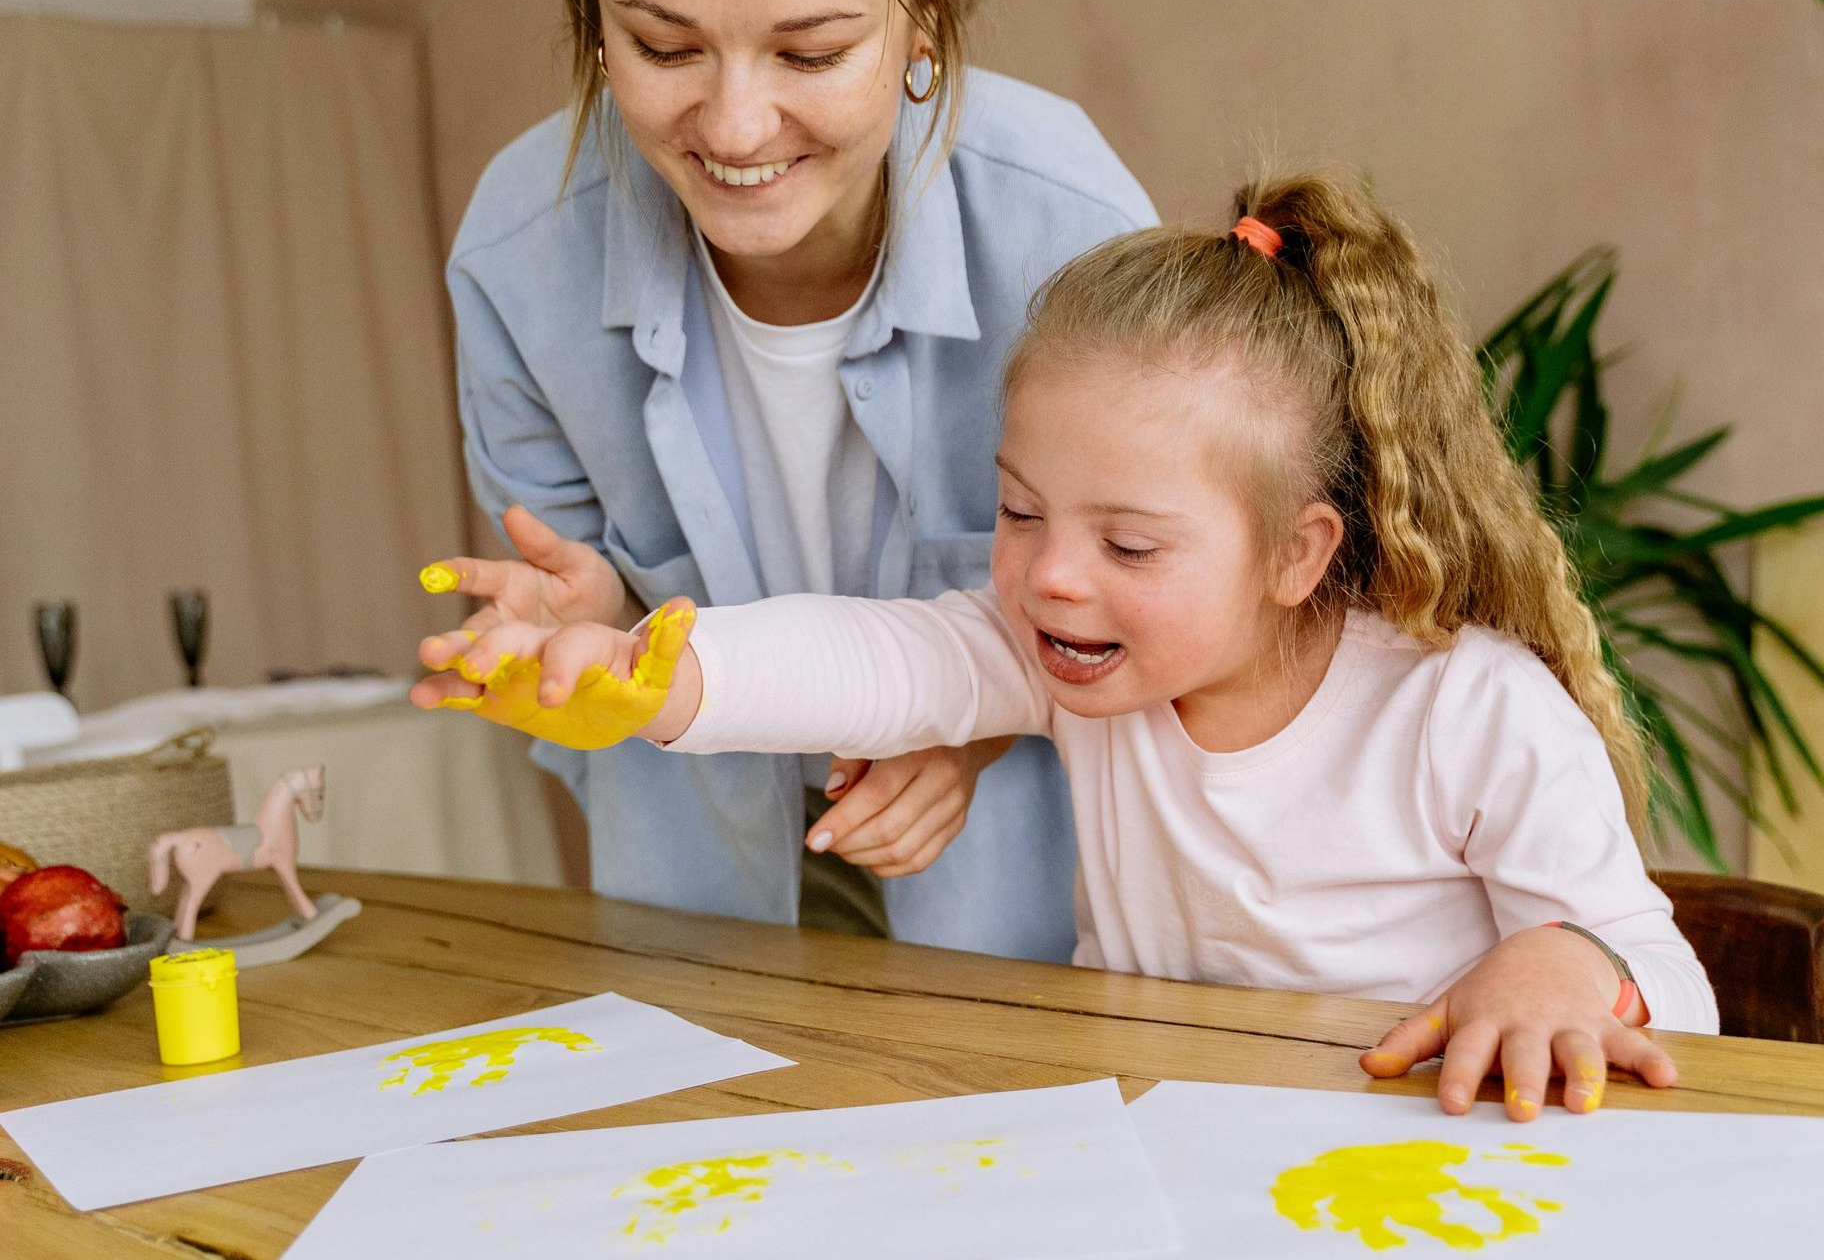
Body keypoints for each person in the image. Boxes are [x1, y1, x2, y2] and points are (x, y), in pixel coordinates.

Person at [418, 170, 1720, 1120]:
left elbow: (1670, 978)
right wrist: (653, 668)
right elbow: (880, 661)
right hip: (1171, 1162)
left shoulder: (1462, 710)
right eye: (1018, 510)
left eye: (1132, 547)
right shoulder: (1069, 663)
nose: (1050, 577)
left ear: (1297, 554)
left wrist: (1561, 961)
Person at [422, 0, 1154, 960]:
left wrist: (969, 726)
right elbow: (588, 627)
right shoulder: (519, 254)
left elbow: (1179, 621)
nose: (738, 122)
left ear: (927, 7)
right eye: (662, 48)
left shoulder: (1070, 236)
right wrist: (588, 622)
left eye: (811, 53)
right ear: (592, 10)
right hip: (699, 921)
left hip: (1028, 934)